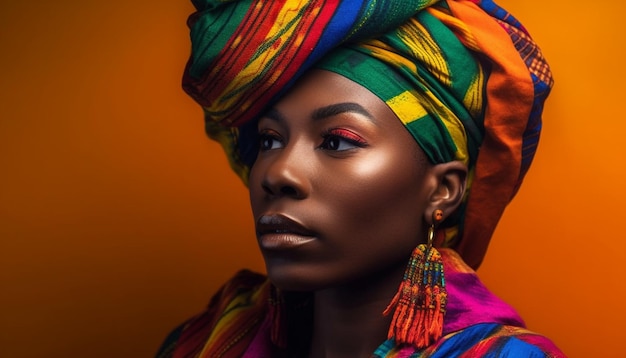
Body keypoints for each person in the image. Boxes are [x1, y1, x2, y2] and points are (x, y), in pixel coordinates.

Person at [157, 0, 565, 356]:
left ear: (442, 191)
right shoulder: (206, 341)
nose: (278, 173)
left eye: (337, 142)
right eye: (269, 140)